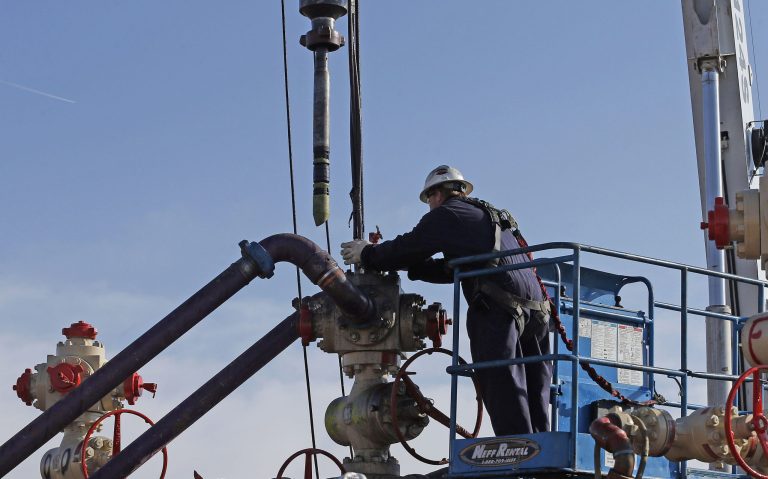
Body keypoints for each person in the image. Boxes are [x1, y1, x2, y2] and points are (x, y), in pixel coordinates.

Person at [340, 165, 552, 435]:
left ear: (436, 194)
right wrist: (414, 268)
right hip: (537, 311)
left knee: (501, 382)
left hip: (500, 309)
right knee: (534, 389)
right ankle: (542, 452)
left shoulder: (446, 215)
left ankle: (518, 455)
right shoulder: (489, 218)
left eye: (428, 199)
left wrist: (369, 254)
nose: (429, 205)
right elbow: (454, 269)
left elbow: (409, 245)